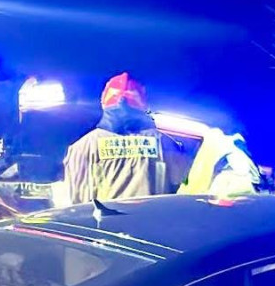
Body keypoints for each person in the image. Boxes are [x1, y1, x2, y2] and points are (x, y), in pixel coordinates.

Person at [62, 73, 191, 203]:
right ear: (143, 104)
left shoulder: (83, 147)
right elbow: (183, 188)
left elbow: (76, 197)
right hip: (153, 220)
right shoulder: (164, 143)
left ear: (104, 102)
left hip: (103, 222)